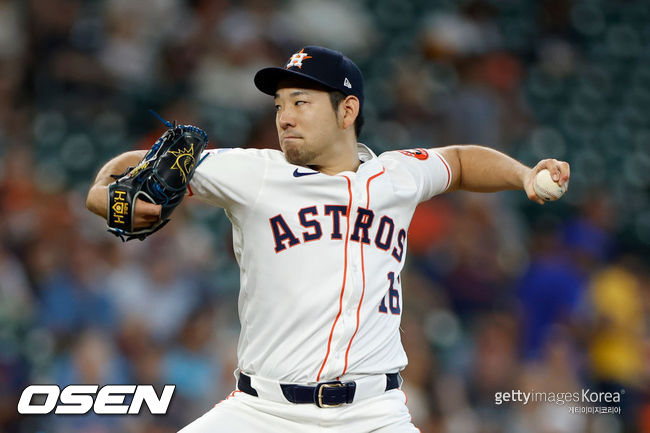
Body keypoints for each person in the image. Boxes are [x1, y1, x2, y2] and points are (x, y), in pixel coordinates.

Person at [86, 46, 570, 432]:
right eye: (280, 105)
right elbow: (130, 166)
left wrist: (524, 175)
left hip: (373, 414)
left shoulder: (396, 175)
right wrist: (108, 198)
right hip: (263, 413)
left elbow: (461, 161)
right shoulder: (254, 174)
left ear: (347, 110)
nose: (284, 118)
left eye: (301, 102)